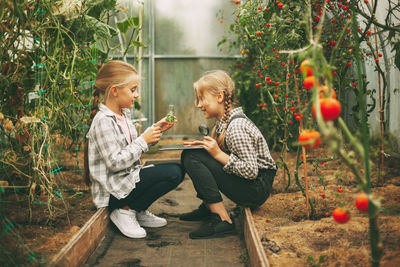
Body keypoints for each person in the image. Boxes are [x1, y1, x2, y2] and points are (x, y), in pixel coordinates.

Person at [84, 60, 184, 239]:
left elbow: (130, 148)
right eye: (133, 89)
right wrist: (143, 142)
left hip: (125, 180)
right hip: (112, 190)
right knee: (172, 172)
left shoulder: (123, 115)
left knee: (177, 170)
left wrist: (154, 131)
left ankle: (136, 208)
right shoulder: (103, 121)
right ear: (114, 91)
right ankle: (125, 211)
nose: (136, 95)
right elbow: (115, 162)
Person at [180, 70, 277, 239]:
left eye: (202, 98)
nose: (198, 104)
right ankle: (209, 206)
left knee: (192, 157)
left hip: (256, 189)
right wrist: (205, 147)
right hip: (252, 185)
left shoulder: (236, 126)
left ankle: (222, 219)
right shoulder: (224, 122)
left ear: (219, 97)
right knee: (192, 154)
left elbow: (250, 171)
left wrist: (216, 153)